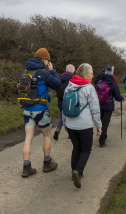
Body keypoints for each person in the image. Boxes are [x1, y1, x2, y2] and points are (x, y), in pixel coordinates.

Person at [20, 48, 60, 178]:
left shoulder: (24, 73)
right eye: (47, 60)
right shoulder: (44, 74)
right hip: (41, 110)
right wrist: (52, 70)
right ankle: (47, 163)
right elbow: (57, 85)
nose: (47, 62)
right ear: (44, 60)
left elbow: (18, 90)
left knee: (28, 138)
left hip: (27, 110)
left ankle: (26, 167)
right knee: (47, 136)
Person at [62, 63, 102, 188]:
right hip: (84, 124)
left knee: (76, 148)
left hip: (71, 124)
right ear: (85, 74)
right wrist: (99, 126)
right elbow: (95, 109)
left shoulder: (69, 86)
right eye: (91, 73)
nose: (93, 75)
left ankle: (74, 171)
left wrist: (64, 122)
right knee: (86, 149)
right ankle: (78, 171)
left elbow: (64, 107)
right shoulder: (89, 88)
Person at [94, 66, 124, 148]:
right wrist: (121, 98)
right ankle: (102, 141)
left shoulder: (99, 82)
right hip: (108, 106)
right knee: (105, 123)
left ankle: (102, 135)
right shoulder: (113, 84)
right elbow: (118, 97)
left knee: (100, 121)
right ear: (112, 74)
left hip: (99, 105)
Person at [53, 64, 75, 141]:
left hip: (60, 99)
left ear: (66, 70)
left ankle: (64, 132)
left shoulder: (59, 78)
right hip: (69, 100)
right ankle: (59, 129)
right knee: (68, 116)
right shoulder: (73, 78)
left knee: (63, 115)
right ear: (73, 71)